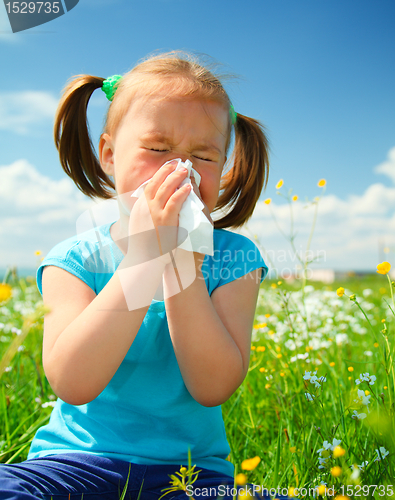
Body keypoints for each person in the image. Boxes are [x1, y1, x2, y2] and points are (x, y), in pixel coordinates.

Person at [0, 51, 291, 500]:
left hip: (194, 476)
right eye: (157, 149)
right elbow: (73, 383)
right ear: (110, 155)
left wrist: (182, 267)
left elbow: (212, 387)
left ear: (225, 168)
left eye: (204, 156)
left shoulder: (235, 259)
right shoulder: (75, 259)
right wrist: (142, 261)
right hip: (74, 465)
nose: (182, 170)